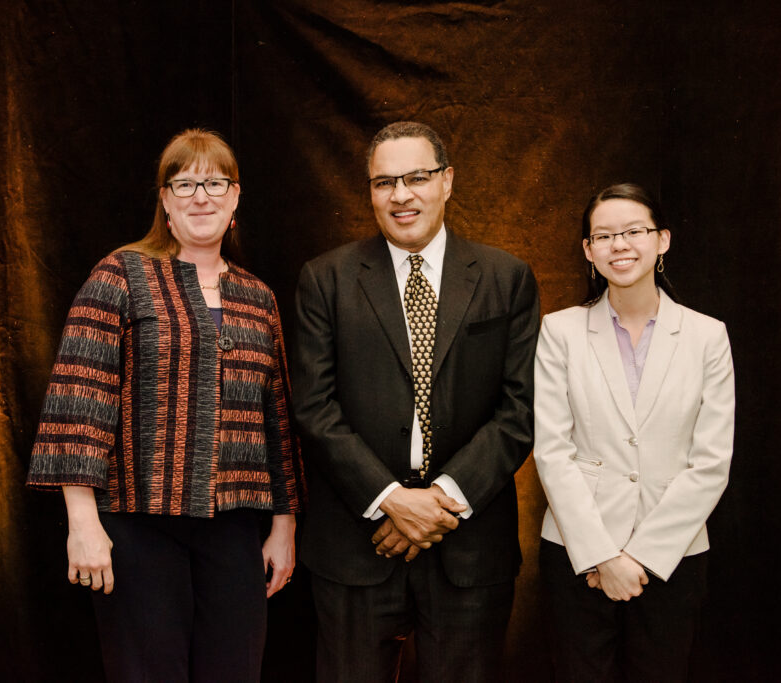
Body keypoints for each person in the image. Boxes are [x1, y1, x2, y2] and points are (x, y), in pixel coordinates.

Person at [26, 129, 303, 683]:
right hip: (137, 525)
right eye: (185, 184)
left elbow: (277, 417)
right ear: (165, 200)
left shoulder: (258, 297)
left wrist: (284, 526)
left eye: (215, 183)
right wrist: (82, 522)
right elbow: (79, 397)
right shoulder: (119, 275)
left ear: (236, 196)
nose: (201, 196)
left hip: (234, 529)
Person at [291, 121, 540, 683]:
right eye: (384, 182)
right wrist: (391, 500)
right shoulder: (325, 279)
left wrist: (439, 501)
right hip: (356, 547)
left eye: (417, 178)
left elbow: (519, 410)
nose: (401, 195)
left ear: (447, 182)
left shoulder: (507, 278)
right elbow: (315, 407)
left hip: (469, 553)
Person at [533, 183, 734, 682]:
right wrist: (601, 555)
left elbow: (711, 462)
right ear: (588, 250)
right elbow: (552, 451)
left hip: (674, 553)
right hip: (577, 554)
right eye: (604, 236)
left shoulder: (708, 335)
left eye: (634, 232)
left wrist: (641, 556)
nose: (619, 245)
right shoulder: (560, 331)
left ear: (662, 240)